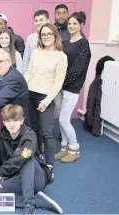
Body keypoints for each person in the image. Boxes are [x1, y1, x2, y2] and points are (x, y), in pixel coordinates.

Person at [0, 104, 62, 214]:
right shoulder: (3, 135)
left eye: (15, 120)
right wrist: (6, 177)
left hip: (37, 177)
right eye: (8, 121)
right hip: (19, 177)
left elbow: (23, 156)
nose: (12, 124)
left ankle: (29, 205)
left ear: (22, 120)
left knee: (27, 160)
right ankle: (38, 200)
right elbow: (5, 158)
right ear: (4, 122)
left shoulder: (29, 134)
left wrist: (2, 171)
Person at [25, 23, 67, 169]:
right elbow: (29, 73)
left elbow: (58, 83)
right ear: (40, 37)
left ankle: (49, 166)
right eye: (43, 35)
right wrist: (23, 89)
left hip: (45, 98)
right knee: (33, 129)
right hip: (31, 94)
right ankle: (36, 160)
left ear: (55, 35)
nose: (46, 37)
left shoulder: (61, 56)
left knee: (47, 133)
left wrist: (46, 102)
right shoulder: (36, 52)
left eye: (49, 34)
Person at [54, 12, 91, 163]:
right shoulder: (66, 42)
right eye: (70, 23)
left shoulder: (84, 44)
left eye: (75, 23)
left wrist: (60, 82)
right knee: (62, 119)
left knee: (63, 120)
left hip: (71, 87)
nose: (71, 26)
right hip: (59, 86)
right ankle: (64, 148)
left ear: (82, 25)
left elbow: (78, 69)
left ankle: (74, 149)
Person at [23, 10, 50, 75]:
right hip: (33, 75)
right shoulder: (31, 38)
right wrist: (25, 76)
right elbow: (26, 59)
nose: (38, 23)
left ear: (48, 20)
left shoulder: (54, 37)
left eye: (41, 20)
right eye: (36, 21)